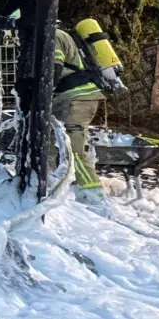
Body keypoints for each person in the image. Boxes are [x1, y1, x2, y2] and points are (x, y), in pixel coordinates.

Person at [53, 26, 109, 206]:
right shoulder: (53, 33)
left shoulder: (51, 35)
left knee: (73, 150)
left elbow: (52, 70)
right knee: (53, 145)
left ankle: (93, 199)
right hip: (73, 98)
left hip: (76, 98)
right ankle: (49, 189)